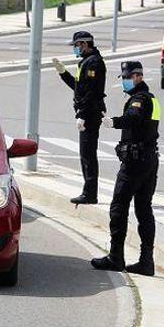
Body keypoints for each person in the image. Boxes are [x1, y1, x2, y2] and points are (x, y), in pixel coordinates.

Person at [91, 61, 161, 276]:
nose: (125, 81)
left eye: (128, 77)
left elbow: (133, 118)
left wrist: (113, 122)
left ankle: (116, 257)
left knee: (119, 207)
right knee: (143, 209)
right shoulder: (152, 99)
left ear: (138, 76)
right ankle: (146, 261)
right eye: (123, 78)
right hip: (149, 159)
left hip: (135, 162)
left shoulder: (140, 99)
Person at [52, 31, 107, 205]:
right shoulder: (86, 62)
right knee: (85, 155)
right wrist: (63, 73)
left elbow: (90, 92)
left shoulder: (93, 63)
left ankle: (90, 194)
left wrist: (82, 114)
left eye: (76, 45)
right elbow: (79, 88)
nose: (75, 49)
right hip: (88, 112)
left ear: (84, 44)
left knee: (88, 155)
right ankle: (88, 191)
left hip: (90, 114)